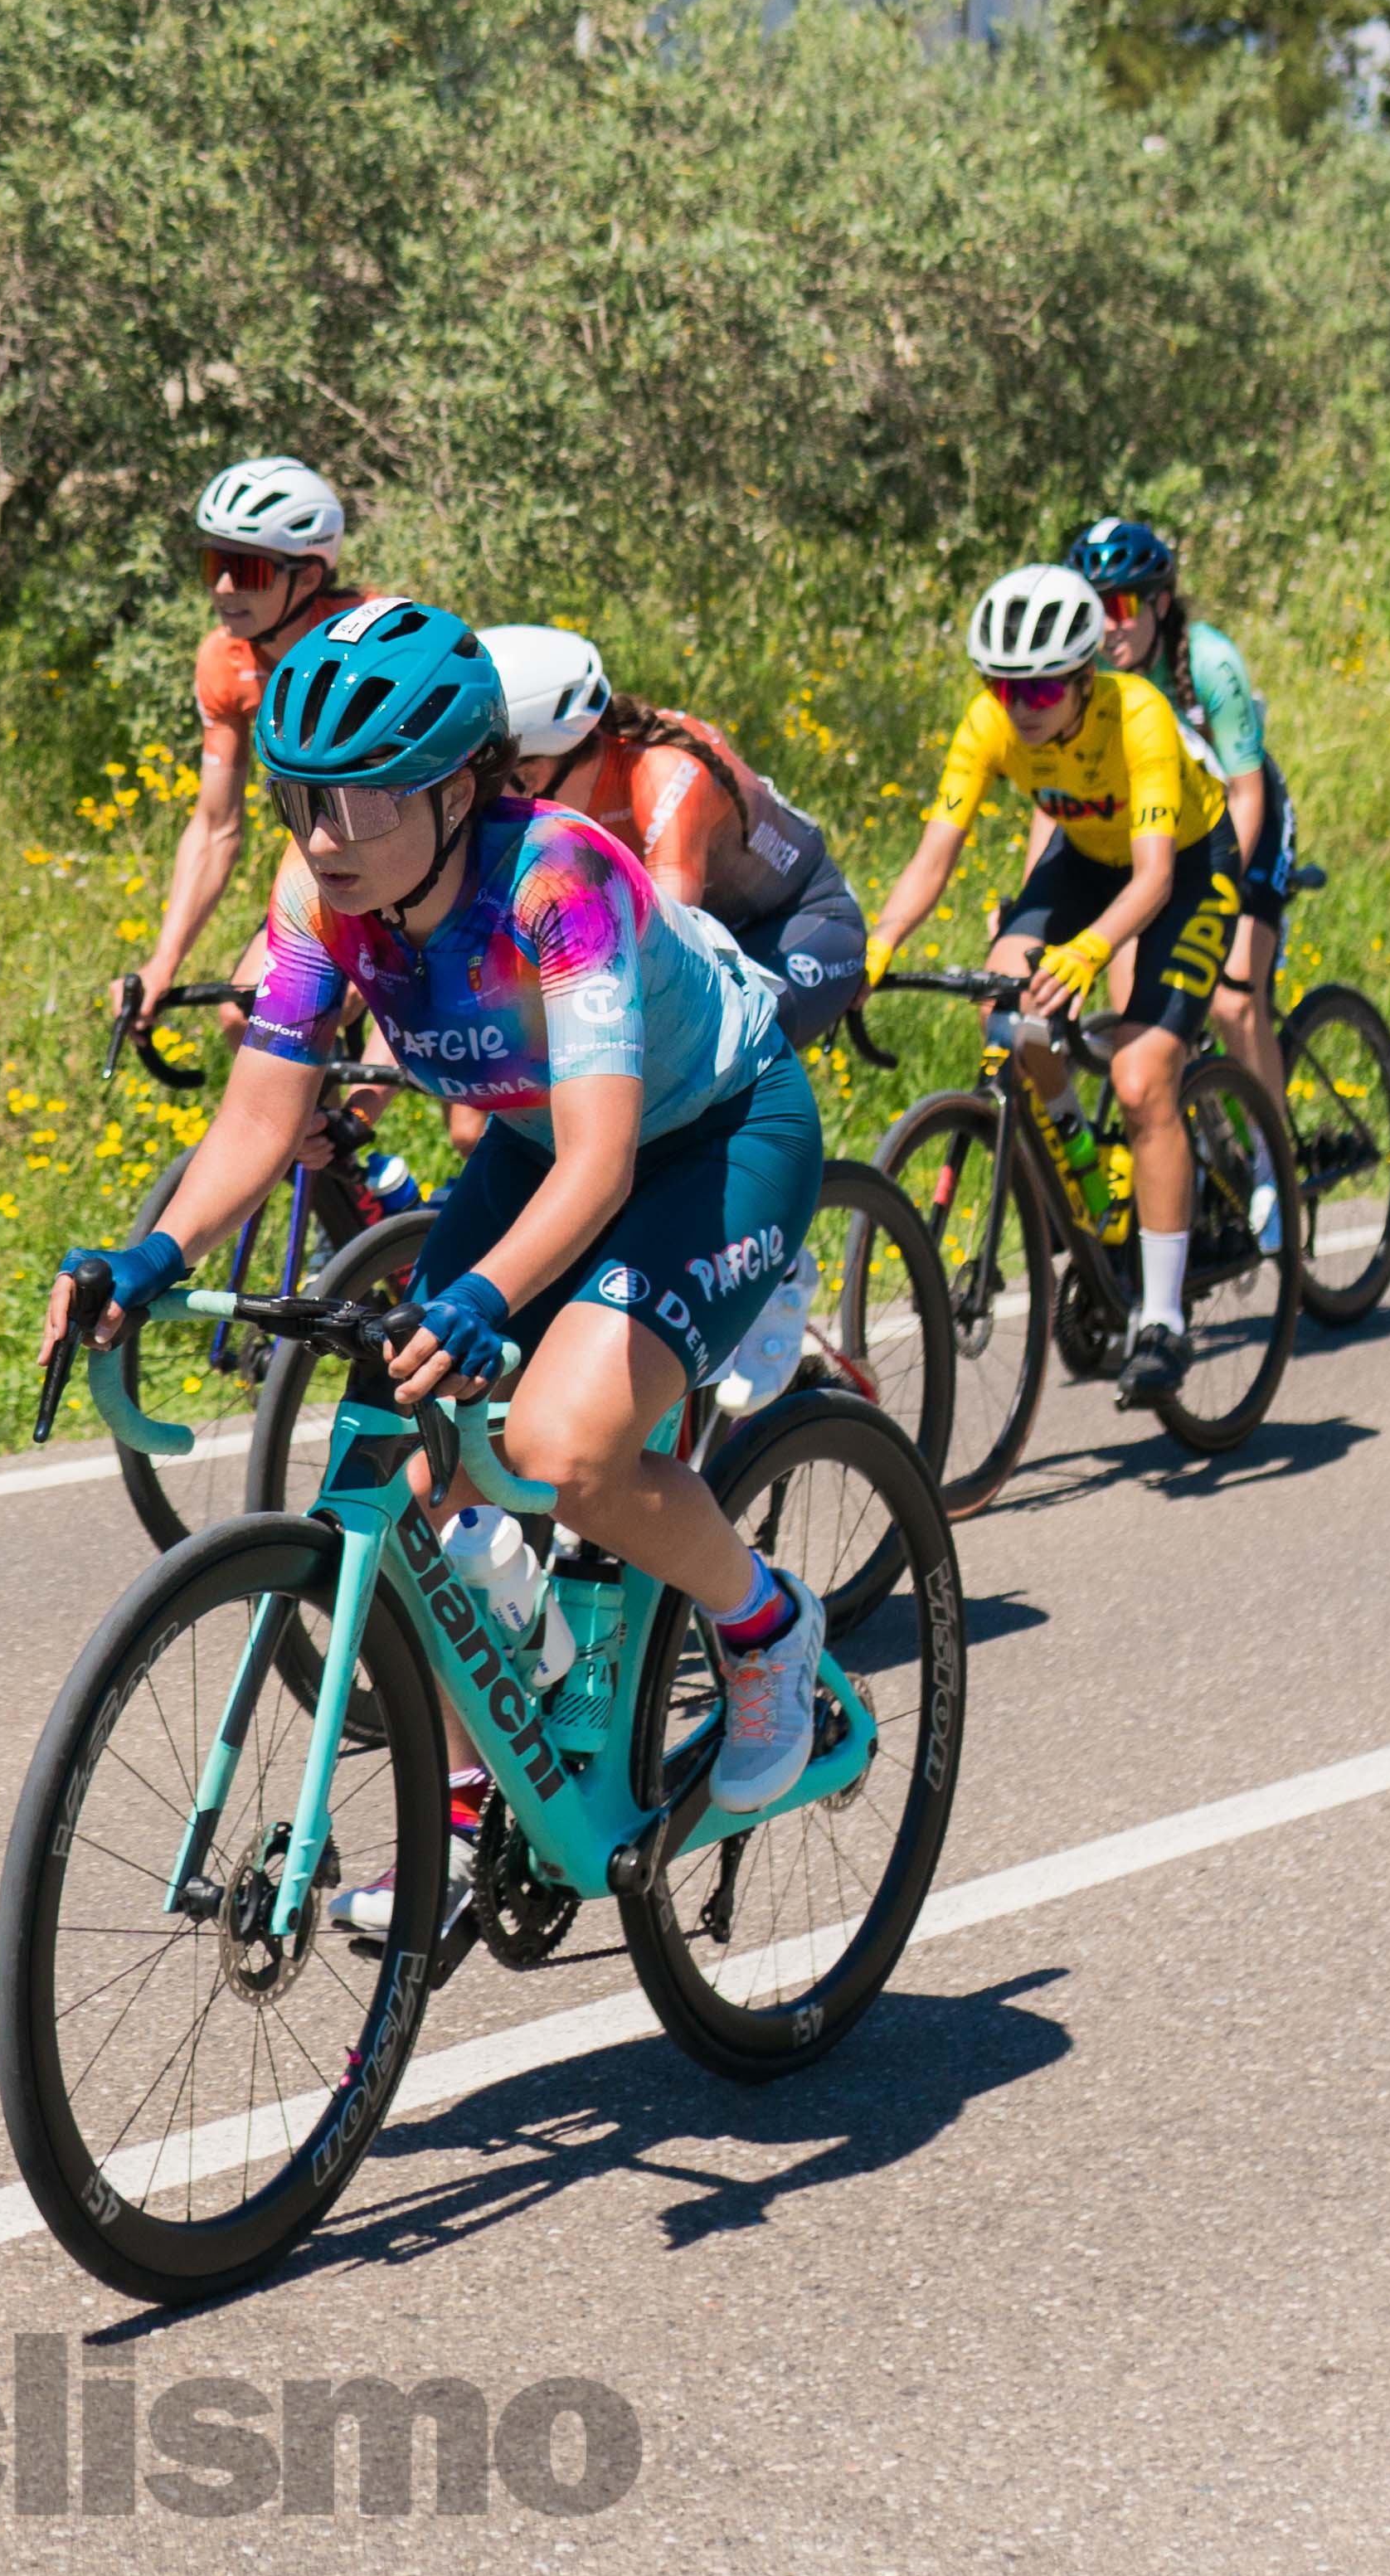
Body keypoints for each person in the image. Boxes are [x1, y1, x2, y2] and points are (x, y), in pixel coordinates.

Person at [51, 595, 838, 1820]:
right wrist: (151, 1255)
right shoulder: (321, 899)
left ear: (458, 793)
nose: (325, 838)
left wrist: (482, 1295)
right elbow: (261, 1120)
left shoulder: (557, 879)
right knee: (393, 1491)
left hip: (719, 1138)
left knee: (561, 1451)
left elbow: (602, 1166)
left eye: (362, 801)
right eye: (300, 799)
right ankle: (474, 1807)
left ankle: (764, 1627)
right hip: (540, 1146)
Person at [859, 561, 1242, 1416]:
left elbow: (1148, 879)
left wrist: (1088, 951)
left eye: (1039, 691)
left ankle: (1164, 1316)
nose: (1020, 707)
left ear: (1082, 678)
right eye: (1004, 688)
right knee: (1005, 1011)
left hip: (1184, 866)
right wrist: (881, 940)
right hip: (1082, 856)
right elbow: (936, 851)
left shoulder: (1136, 714)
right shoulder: (989, 723)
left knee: (1143, 1079)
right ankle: (1088, 1161)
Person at [474, 627, 871, 1045]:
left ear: (553, 759)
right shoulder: (562, 780)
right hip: (720, 936)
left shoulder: (665, 774)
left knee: (708, 1051)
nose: (508, 803)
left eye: (515, 780)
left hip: (802, 922)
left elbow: (667, 946)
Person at [112, 459, 352, 1048]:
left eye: (246, 570)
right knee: (252, 1018)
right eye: (214, 566)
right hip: (333, 861)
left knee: (468, 1121)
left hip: (424, 858)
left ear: (309, 575)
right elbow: (216, 826)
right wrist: (163, 961)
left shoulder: (375, 637)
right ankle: (324, 1142)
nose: (223, 589)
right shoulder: (224, 660)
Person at [1068, 512, 1290, 1108]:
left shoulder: (1210, 661)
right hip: (1158, 825)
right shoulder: (1087, 674)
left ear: (1160, 605)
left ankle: (1277, 1171)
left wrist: (1224, 892)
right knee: (1132, 1004)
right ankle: (1192, 1146)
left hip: (1240, 817)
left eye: (1120, 608)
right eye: (1094, 609)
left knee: (1234, 995)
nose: (1107, 627)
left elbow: (1245, 793)